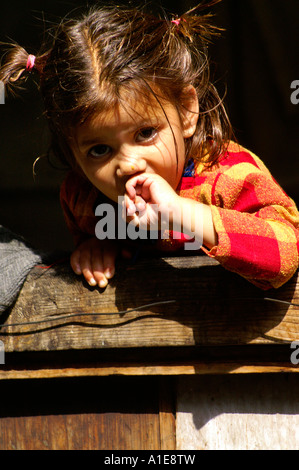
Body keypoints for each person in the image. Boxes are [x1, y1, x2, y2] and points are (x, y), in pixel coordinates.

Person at [1, 2, 298, 291]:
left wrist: (180, 211)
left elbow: (286, 252)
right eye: (99, 150)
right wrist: (100, 246)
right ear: (73, 154)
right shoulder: (85, 199)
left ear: (185, 111)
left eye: (144, 133)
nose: (129, 164)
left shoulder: (228, 176)